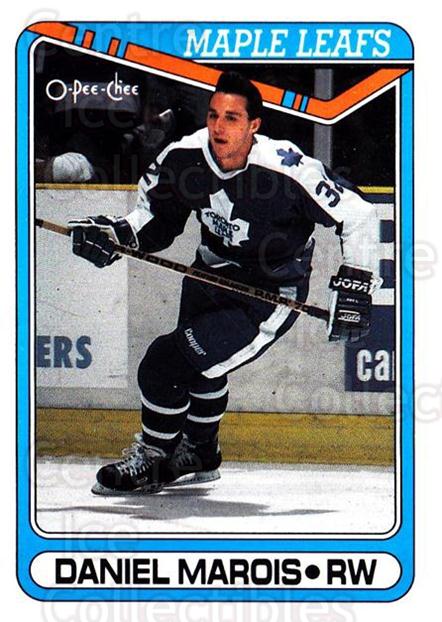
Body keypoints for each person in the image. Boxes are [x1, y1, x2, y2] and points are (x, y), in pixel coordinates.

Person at [69, 71, 380, 496]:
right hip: (208, 275)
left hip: (268, 295)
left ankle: (155, 457)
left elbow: (359, 213)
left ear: (254, 126)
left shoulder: (288, 167)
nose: (218, 126)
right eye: (214, 115)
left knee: (164, 363)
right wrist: (116, 234)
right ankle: (200, 453)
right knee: (201, 368)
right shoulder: (183, 156)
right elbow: (156, 220)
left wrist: (357, 284)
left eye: (232, 118)